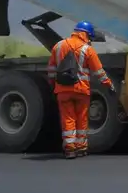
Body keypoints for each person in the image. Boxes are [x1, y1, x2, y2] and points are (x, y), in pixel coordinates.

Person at [46, 21, 114, 158]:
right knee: (81, 119)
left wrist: (53, 84)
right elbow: (98, 71)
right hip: (81, 90)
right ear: (86, 34)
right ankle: (81, 148)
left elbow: (51, 69)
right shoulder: (87, 49)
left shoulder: (58, 46)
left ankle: (70, 149)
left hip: (63, 90)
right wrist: (108, 84)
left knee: (68, 118)